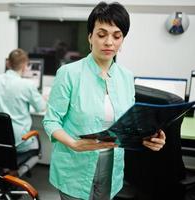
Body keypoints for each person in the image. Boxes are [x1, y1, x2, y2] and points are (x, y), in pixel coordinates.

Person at [42, 2, 166, 200]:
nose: (109, 42)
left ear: (122, 40)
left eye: (117, 36)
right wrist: (74, 143)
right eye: (101, 34)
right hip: (74, 165)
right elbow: (51, 121)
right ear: (90, 37)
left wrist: (148, 138)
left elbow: (128, 124)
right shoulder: (69, 74)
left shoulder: (126, 77)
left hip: (112, 166)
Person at [0, 48, 46, 153]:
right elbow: (41, 108)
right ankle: (14, 168)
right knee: (36, 141)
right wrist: (43, 98)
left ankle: (7, 167)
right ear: (24, 66)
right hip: (19, 143)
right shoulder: (27, 85)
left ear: (8, 63)